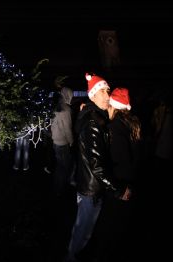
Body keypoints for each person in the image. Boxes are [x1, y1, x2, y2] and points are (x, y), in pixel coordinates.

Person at [63, 73, 125, 262]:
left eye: (108, 91)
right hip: (90, 189)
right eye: (104, 92)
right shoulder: (93, 122)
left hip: (89, 185)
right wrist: (119, 190)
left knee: (85, 229)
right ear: (93, 95)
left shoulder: (93, 116)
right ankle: (71, 257)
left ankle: (75, 254)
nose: (108, 96)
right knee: (84, 229)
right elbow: (97, 165)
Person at [93, 87, 141, 262]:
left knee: (110, 228)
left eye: (109, 104)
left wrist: (118, 189)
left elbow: (121, 162)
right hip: (129, 184)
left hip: (120, 187)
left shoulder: (115, 128)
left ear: (115, 106)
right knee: (120, 228)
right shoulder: (130, 124)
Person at [50, 87, 74, 197]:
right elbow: (67, 128)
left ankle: (57, 188)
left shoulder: (56, 107)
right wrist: (71, 141)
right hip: (63, 143)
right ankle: (61, 190)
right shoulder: (66, 109)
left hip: (56, 142)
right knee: (64, 168)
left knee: (60, 166)